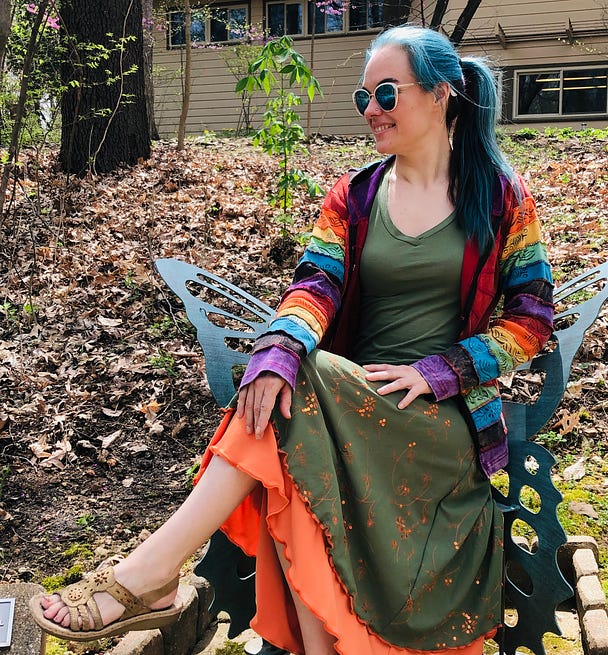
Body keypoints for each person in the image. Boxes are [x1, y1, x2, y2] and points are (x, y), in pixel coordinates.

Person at [30, 24, 554, 655]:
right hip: (344, 409)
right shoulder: (356, 195)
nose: (372, 111)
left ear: (442, 94)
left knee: (295, 384)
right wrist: (280, 349)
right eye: (363, 99)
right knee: (286, 391)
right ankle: (159, 580)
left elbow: (531, 322)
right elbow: (314, 288)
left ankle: (147, 577)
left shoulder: (499, 198)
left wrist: (440, 370)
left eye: (386, 94)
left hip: (438, 423)